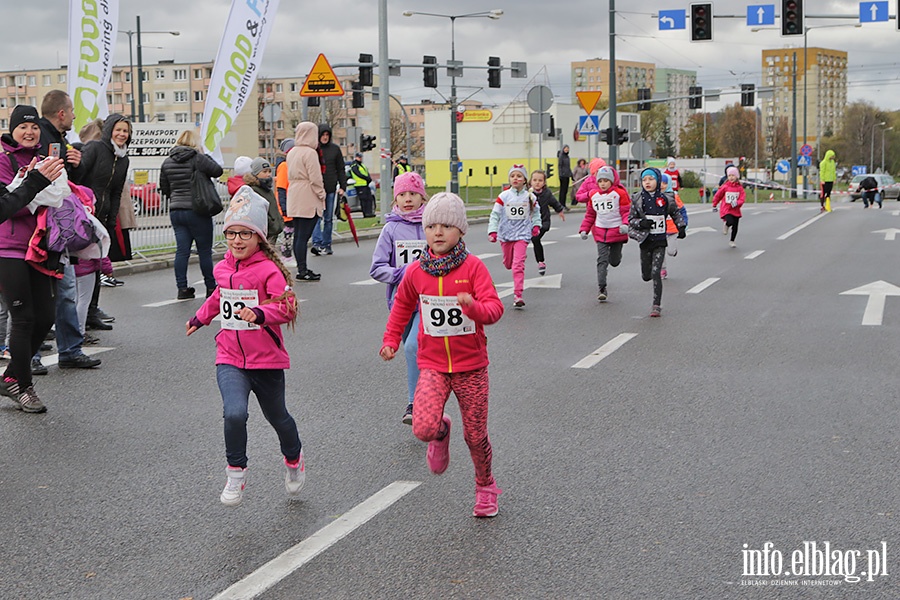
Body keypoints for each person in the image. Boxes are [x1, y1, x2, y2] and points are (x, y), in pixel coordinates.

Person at [379, 192, 504, 518]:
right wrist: (391, 339)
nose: (437, 232)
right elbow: (402, 307)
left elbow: (494, 309)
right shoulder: (416, 272)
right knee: (422, 428)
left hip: (471, 367)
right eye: (431, 225)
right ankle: (440, 430)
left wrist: (473, 307)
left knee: (476, 436)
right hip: (433, 364)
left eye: (446, 226)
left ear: (460, 231)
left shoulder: (474, 268)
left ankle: (485, 485)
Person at [186, 187, 303, 506]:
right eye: (232, 233)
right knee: (234, 413)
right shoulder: (223, 268)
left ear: (259, 238)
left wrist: (261, 313)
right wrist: (199, 318)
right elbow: (218, 297)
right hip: (230, 358)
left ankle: (294, 459)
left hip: (266, 361)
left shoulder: (269, 270)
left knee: (278, 417)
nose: (237, 240)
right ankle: (236, 473)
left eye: (245, 234)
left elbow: (288, 306)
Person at [0, 105, 66, 412]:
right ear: (12, 130)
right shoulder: (2, 159)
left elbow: (58, 196)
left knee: (46, 317)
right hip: (7, 247)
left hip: (39, 245)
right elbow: (8, 204)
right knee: (23, 318)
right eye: (23, 127)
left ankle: (11, 376)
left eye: (34, 127)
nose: (30, 132)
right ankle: (24, 387)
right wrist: (36, 181)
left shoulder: (45, 158)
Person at [39, 93, 101, 369]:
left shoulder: (58, 140)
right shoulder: (46, 138)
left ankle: (70, 350)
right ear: (61, 113)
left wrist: (74, 164)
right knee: (45, 293)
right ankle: (31, 355)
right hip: (44, 229)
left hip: (58, 228)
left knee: (65, 290)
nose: (75, 116)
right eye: (72, 111)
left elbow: (65, 182)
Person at [370, 171, 428, 425]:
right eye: (402, 195)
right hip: (401, 302)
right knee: (414, 351)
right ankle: (426, 389)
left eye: (413, 194)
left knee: (413, 347)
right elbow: (376, 267)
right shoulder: (391, 229)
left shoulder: (432, 224)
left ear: (422, 197)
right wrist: (401, 272)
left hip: (428, 301)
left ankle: (414, 404)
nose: (407, 199)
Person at [79, 114, 131, 330]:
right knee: (82, 268)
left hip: (103, 216)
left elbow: (116, 191)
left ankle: (92, 311)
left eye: (126, 131)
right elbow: (79, 176)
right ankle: (78, 316)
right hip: (83, 215)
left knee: (98, 263)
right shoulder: (94, 149)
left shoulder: (123, 158)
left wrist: (112, 220)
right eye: (118, 130)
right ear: (109, 130)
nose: (122, 134)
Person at [159, 130, 224, 299]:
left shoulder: (167, 162)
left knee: (182, 251)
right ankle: (211, 287)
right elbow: (217, 171)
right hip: (198, 210)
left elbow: (164, 188)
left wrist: (176, 197)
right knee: (204, 250)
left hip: (176, 210)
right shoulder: (198, 158)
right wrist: (205, 154)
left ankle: (182, 289)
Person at [628, 167, 686, 318]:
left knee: (656, 272)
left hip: (660, 241)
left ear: (658, 181)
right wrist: (642, 223)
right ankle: (648, 277)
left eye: (651, 179)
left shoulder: (665, 199)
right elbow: (631, 220)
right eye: (644, 180)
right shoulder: (637, 199)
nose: (647, 182)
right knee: (646, 275)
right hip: (645, 241)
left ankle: (656, 305)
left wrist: (681, 227)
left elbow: (675, 213)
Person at [488, 165, 542, 308]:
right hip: (506, 235)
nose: (515, 178)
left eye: (519, 176)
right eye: (513, 176)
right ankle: (512, 259)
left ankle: (518, 295)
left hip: (522, 235)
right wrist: (492, 231)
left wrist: (536, 226)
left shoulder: (530, 196)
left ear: (525, 180)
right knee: (508, 264)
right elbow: (495, 214)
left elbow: (536, 213)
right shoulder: (504, 196)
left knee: (518, 266)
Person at [578, 165, 630, 302]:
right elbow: (590, 215)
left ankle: (617, 254)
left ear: (612, 181)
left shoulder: (620, 194)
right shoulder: (594, 195)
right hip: (600, 232)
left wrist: (626, 224)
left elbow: (626, 211)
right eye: (600, 181)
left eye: (606, 181)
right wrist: (584, 230)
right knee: (602, 260)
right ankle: (602, 287)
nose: (603, 184)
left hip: (617, 232)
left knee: (614, 261)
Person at [286, 122, 325, 281]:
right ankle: (303, 269)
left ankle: (301, 267)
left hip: (294, 193)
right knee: (304, 235)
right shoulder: (310, 153)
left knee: (298, 235)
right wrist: (321, 194)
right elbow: (315, 177)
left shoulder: (292, 152)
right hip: (308, 194)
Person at [311, 124, 346, 256]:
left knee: (328, 218)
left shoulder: (335, 149)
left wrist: (343, 187)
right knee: (316, 218)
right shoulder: (313, 150)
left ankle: (327, 244)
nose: (325, 137)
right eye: (323, 135)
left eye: (327, 135)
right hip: (316, 189)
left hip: (330, 188)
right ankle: (317, 243)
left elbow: (341, 169)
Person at [529, 169, 565, 276]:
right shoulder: (527, 194)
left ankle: (541, 262)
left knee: (535, 238)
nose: (537, 182)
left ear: (544, 182)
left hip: (543, 222)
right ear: (530, 181)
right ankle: (535, 259)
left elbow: (554, 203)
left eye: (540, 180)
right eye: (535, 180)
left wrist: (560, 211)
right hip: (530, 222)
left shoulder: (547, 193)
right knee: (533, 241)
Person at [244, 157, 284, 246]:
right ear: (256, 174)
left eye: (269, 171)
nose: (268, 174)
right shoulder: (254, 190)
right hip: (266, 231)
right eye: (264, 172)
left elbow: (274, 208)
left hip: (273, 231)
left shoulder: (268, 190)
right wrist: (272, 224)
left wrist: (279, 221)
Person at [660, 173, 687, 279]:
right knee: (660, 250)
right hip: (660, 229)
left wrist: (684, 224)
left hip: (672, 229)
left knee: (670, 252)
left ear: (669, 184)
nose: (662, 185)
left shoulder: (674, 196)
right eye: (660, 183)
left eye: (665, 183)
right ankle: (662, 269)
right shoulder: (654, 197)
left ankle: (674, 251)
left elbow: (682, 211)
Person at [713, 166, 746, 248]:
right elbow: (718, 195)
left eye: (733, 175)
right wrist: (714, 204)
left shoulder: (739, 188)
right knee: (730, 221)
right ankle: (727, 225)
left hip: (736, 210)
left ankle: (732, 240)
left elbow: (742, 198)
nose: (731, 177)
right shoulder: (725, 186)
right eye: (729, 176)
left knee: (735, 226)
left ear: (737, 177)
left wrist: (737, 203)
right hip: (726, 209)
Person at [275, 140, 294, 259]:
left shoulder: (288, 165)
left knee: (290, 231)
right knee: (288, 231)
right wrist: (284, 207)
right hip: (286, 204)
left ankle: (287, 254)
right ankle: (286, 255)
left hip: (290, 202)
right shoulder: (284, 166)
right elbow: (281, 188)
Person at [350, 152, 376, 217]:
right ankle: (366, 213)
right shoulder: (354, 165)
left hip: (365, 185)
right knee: (363, 200)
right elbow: (358, 174)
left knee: (369, 199)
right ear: (356, 157)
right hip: (359, 185)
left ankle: (370, 213)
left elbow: (366, 173)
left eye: (361, 157)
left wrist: (369, 178)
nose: (360, 158)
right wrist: (366, 178)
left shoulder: (362, 165)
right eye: (359, 157)